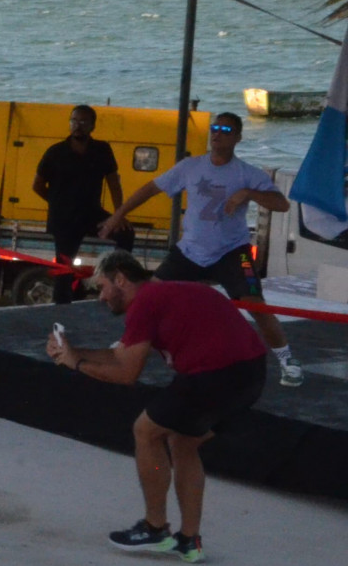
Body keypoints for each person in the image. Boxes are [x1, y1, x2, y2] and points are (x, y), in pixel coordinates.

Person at [45, 250, 267, 564]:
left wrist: (76, 363)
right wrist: (72, 353)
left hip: (217, 373)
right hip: (251, 374)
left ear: (121, 279)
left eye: (103, 287)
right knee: (182, 441)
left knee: (145, 431)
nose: (101, 297)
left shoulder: (146, 303)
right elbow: (122, 356)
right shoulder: (160, 296)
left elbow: (126, 374)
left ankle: (155, 527)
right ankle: (189, 541)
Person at [101, 112, 302, 386]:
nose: (217, 133)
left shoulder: (247, 173)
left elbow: (282, 204)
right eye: (215, 128)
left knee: (257, 306)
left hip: (232, 251)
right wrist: (118, 214)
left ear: (238, 138)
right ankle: (132, 343)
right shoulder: (190, 166)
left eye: (226, 130)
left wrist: (249, 193)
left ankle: (286, 359)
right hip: (190, 250)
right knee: (146, 295)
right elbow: (151, 189)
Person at [32, 104, 134, 305]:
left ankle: (115, 282)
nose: (77, 125)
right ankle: (61, 311)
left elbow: (114, 184)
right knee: (64, 269)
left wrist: (118, 215)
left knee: (125, 233)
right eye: (74, 121)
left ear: (92, 126)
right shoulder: (55, 152)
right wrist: (56, 202)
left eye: (83, 121)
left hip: (91, 214)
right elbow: (37, 185)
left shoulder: (102, 150)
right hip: (64, 219)